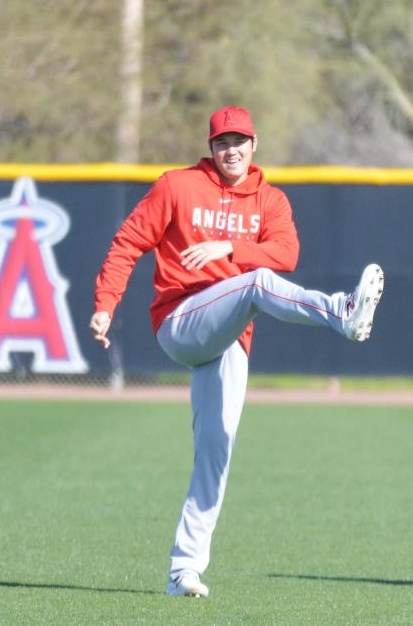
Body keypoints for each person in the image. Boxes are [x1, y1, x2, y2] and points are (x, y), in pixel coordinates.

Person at [89, 106, 384, 598]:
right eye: (222, 142)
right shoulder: (177, 187)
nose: (232, 149)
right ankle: (341, 311)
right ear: (210, 147)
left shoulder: (270, 201)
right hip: (180, 320)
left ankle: (183, 571)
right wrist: (105, 305)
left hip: (227, 339)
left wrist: (229, 247)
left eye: (240, 140)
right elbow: (127, 243)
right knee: (256, 284)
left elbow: (287, 253)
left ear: (254, 144)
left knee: (215, 452)